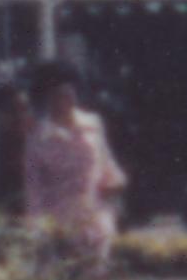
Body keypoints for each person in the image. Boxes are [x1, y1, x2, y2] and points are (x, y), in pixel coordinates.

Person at [16, 66, 123, 266]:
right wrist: (37, 229)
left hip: (95, 218)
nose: (66, 98)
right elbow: (33, 187)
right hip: (58, 223)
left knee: (97, 277)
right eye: (58, 94)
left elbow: (106, 162)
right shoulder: (38, 136)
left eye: (69, 92)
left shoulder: (93, 124)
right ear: (48, 99)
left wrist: (114, 191)